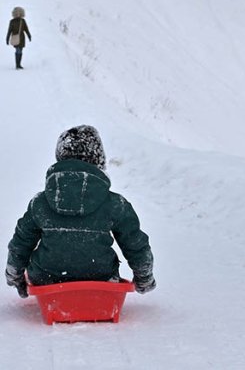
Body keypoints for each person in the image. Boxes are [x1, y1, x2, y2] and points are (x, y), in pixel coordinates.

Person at [5, 125, 156, 298]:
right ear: (99, 160)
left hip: (47, 280)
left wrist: (15, 276)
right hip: (101, 279)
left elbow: (21, 243)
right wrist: (143, 277)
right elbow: (135, 244)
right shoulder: (115, 204)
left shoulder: (40, 203)